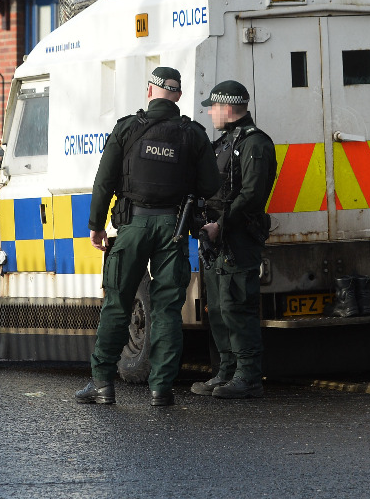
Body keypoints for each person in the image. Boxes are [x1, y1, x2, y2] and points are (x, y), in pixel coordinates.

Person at [76, 67, 220, 407]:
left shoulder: (128, 128)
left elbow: (104, 180)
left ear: (150, 91)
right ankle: (161, 388)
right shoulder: (194, 134)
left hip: (133, 228)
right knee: (168, 309)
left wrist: (96, 225)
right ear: (179, 96)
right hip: (173, 229)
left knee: (118, 304)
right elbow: (211, 187)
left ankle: (102, 385)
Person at [189, 80, 277, 400]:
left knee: (238, 306)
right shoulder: (224, 142)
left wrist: (220, 226)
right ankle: (227, 370)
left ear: (227, 108)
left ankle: (248, 376)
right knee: (220, 307)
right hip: (219, 239)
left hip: (238, 238)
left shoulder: (255, 144)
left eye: (213, 106)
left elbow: (252, 196)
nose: (210, 112)